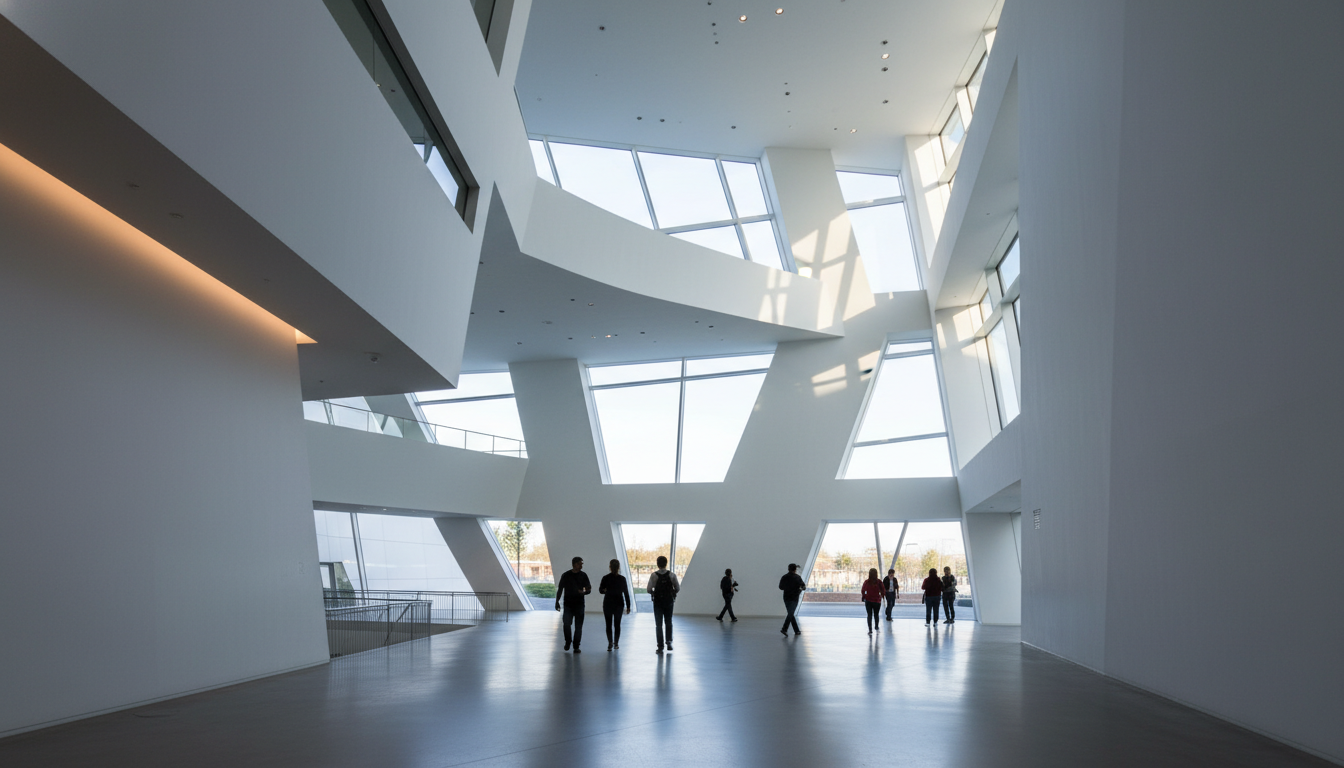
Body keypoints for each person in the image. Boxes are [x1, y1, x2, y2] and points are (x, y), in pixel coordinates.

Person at [554, 556, 591, 652]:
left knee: (578, 626)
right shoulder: (566, 575)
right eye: (579, 564)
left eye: (581, 564)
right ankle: (568, 642)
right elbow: (560, 589)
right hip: (568, 604)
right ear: (574, 564)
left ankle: (576, 646)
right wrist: (557, 601)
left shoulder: (583, 575)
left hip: (579, 604)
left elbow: (588, 589)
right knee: (566, 624)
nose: (581, 566)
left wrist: (583, 592)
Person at [646, 555, 680, 654]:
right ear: (666, 564)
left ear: (658, 564)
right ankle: (669, 642)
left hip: (658, 602)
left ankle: (660, 646)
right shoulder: (672, 575)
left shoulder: (654, 575)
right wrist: (672, 593)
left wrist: (653, 593)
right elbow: (677, 588)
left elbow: (648, 589)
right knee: (668, 622)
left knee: (658, 624)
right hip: (669, 601)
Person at [598, 558, 631, 650]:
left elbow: (600, 590)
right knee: (617, 624)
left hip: (608, 603)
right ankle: (616, 643)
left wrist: (606, 590)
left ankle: (610, 643)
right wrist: (628, 606)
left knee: (608, 624)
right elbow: (626, 593)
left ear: (610, 567)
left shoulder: (606, 578)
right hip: (619, 603)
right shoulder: (622, 579)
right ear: (618, 567)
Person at [778, 563, 806, 636]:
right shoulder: (798, 577)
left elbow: (780, 587)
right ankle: (784, 629)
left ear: (788, 569)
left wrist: (787, 587)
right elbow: (804, 587)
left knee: (790, 613)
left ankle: (796, 631)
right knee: (791, 613)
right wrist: (798, 591)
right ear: (795, 569)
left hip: (786, 597)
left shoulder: (784, 577)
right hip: (795, 597)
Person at [860, 568, 885, 635]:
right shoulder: (879, 582)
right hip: (877, 601)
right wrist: (882, 596)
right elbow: (883, 590)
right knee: (876, 614)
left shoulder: (866, 582)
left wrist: (864, 596)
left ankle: (870, 630)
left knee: (869, 615)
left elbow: (863, 590)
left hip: (868, 600)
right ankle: (876, 626)